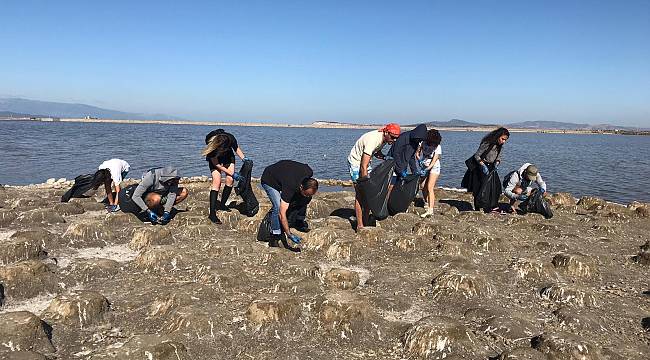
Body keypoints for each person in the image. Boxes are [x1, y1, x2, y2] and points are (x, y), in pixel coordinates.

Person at [348, 123, 401, 230]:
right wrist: (364, 183)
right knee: (360, 194)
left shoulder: (385, 139)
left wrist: (386, 158)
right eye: (393, 137)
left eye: (396, 138)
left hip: (365, 163)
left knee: (369, 194)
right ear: (386, 132)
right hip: (355, 162)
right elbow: (363, 165)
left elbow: (376, 153)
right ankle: (360, 225)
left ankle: (366, 220)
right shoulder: (373, 140)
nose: (394, 140)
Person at [260, 160, 318, 247]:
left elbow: (301, 166)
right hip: (269, 179)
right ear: (301, 187)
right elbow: (281, 213)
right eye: (306, 193)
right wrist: (289, 234)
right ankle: (275, 235)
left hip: (284, 172)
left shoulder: (309, 172)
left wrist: (307, 196)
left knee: (305, 198)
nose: (307, 196)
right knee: (277, 206)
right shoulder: (290, 187)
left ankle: (299, 221)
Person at [202, 129, 247, 224]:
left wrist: (244, 158)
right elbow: (217, 164)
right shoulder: (212, 147)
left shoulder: (230, 138)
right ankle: (212, 214)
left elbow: (236, 148)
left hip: (228, 156)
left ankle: (222, 204)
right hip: (216, 159)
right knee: (217, 182)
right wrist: (233, 173)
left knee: (230, 180)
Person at [118, 166, 188, 224]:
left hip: (162, 196)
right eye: (174, 181)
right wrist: (148, 211)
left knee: (184, 192)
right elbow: (136, 196)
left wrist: (167, 211)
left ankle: (161, 210)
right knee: (156, 198)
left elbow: (172, 195)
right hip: (148, 197)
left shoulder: (174, 180)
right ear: (167, 179)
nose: (176, 182)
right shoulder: (151, 176)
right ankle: (153, 211)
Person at [464, 127, 510, 213]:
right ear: (498, 136)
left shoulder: (500, 146)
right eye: (502, 139)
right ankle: (477, 208)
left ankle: (489, 207)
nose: (503, 141)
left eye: (505, 140)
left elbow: (499, 157)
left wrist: (497, 163)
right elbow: (477, 155)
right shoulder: (487, 143)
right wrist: (483, 165)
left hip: (491, 167)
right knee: (478, 188)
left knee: (495, 187)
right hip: (480, 166)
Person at [416, 129, 442, 218]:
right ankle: (426, 202)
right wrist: (419, 160)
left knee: (430, 187)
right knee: (422, 186)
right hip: (424, 164)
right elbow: (417, 153)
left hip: (434, 166)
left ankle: (430, 210)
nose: (433, 145)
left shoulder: (437, 147)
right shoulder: (422, 143)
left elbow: (434, 161)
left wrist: (427, 169)